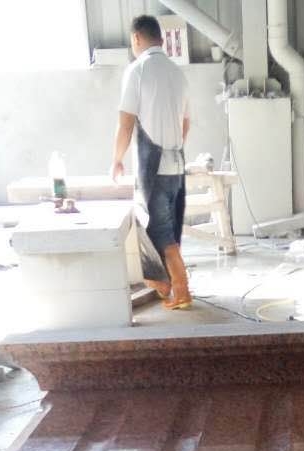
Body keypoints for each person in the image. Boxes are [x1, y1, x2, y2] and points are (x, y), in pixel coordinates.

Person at [111, 14, 192, 310]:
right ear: (160, 38)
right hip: (177, 167)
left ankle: (181, 291)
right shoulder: (178, 73)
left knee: (159, 232)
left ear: (136, 38)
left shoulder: (137, 70)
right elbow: (185, 124)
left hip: (154, 169)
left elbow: (125, 123)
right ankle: (164, 285)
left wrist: (116, 159)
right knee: (169, 229)